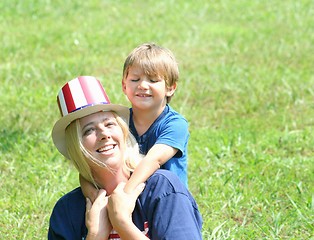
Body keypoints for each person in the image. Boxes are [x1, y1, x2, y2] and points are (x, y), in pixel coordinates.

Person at [48, 76, 203, 239]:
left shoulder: (162, 190)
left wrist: (123, 224)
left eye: (109, 124)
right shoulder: (67, 210)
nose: (104, 134)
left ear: (123, 132)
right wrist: (95, 235)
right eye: (89, 130)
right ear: (76, 146)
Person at [80, 43, 189, 200]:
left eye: (153, 80)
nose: (143, 85)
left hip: (167, 200)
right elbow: (89, 166)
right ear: (124, 86)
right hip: (132, 200)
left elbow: (154, 160)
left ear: (170, 88)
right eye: (135, 79)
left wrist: (123, 197)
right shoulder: (119, 123)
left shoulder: (175, 124)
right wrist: (94, 195)